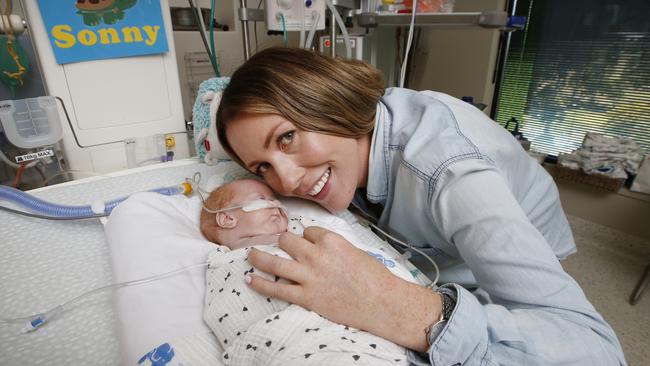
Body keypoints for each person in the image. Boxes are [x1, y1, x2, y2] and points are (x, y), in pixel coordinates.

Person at [213, 47, 627, 365]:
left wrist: (397, 306)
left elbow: (595, 349)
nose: (285, 181)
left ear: (327, 103)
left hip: (518, 247)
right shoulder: (347, 149)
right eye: (263, 166)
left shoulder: (449, 174)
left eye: (286, 138)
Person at [200, 178, 416, 365]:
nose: (276, 205)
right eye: (263, 198)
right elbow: (226, 309)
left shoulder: (298, 234)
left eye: (277, 200)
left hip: (338, 326)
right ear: (227, 218)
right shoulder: (222, 262)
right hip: (276, 336)